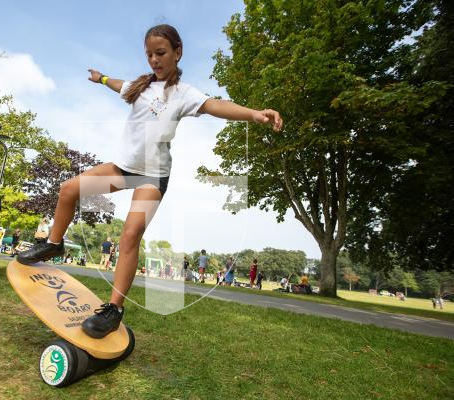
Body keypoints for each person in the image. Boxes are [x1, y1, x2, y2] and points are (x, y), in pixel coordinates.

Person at [17, 24, 283, 339]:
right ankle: (53, 245)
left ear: (177, 52)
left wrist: (253, 114)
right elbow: (118, 84)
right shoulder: (140, 87)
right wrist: (101, 78)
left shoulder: (184, 94)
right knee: (68, 190)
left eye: (161, 53)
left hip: (153, 176)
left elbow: (216, 106)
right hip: (123, 168)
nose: (154, 60)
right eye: (149, 54)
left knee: (130, 235)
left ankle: (113, 309)